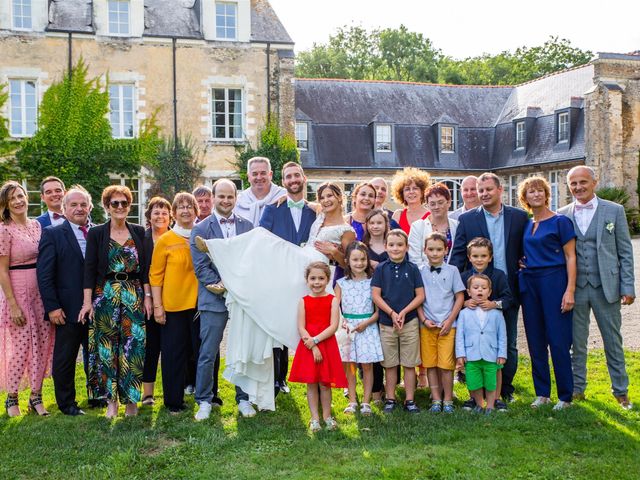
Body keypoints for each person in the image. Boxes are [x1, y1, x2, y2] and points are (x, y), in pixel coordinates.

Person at [193, 182, 354, 412]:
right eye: (323, 196)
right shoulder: (319, 215)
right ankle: (220, 255)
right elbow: (301, 201)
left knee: (261, 238)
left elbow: (348, 263)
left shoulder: (346, 228)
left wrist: (333, 251)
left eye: (331, 196)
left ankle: (227, 267)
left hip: (314, 269)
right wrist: (283, 198)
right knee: (260, 242)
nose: (327, 200)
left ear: (340, 198)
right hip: (303, 258)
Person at [558, 166, 635, 410]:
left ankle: (621, 392)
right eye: (574, 184)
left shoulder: (615, 210)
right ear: (568, 186)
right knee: (576, 342)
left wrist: (628, 286)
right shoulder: (562, 214)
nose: (578, 187)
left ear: (594, 182)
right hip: (576, 287)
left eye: (583, 182)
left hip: (606, 286)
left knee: (612, 341)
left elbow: (625, 252)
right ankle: (578, 389)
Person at [449, 172, 528, 408]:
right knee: (475, 341)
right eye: (479, 190)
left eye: (487, 189)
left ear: (500, 190)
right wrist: (456, 293)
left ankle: (505, 390)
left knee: (508, 342)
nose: (483, 194)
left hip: (506, 289)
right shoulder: (467, 219)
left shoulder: (519, 217)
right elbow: (459, 256)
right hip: (475, 291)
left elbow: (526, 248)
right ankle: (477, 392)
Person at [79, 185, 152, 419]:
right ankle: (111, 402)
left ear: (129, 206)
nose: (120, 207)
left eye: (124, 203)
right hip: (106, 295)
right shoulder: (97, 233)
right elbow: (89, 269)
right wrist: (87, 302)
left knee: (134, 349)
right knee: (107, 350)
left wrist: (148, 298)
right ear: (107, 206)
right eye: (114, 203)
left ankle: (131, 402)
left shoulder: (140, 232)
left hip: (134, 295)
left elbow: (146, 270)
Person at [191, 179, 256, 421]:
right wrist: (225, 285)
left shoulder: (248, 227)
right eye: (221, 197)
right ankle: (204, 400)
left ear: (236, 198)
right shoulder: (201, 229)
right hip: (213, 298)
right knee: (208, 351)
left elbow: (251, 262)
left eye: (230, 197)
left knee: (242, 350)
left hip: (242, 300)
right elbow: (201, 267)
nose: (226, 201)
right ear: (214, 197)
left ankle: (244, 398)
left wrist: (239, 285)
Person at [518, 176, 576, 410]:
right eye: (531, 192)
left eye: (540, 190)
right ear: (525, 198)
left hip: (554, 280)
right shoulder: (527, 224)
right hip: (529, 282)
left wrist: (569, 290)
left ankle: (565, 396)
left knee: (558, 339)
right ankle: (542, 393)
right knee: (535, 339)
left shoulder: (561, 222)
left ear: (546, 194)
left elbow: (571, 256)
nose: (536, 195)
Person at [260, 162, 317, 395]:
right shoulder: (272, 209)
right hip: (280, 278)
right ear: (283, 182)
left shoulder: (315, 211)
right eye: (288, 177)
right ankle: (278, 378)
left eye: (297, 175)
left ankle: (313, 376)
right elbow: (262, 240)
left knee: (310, 327)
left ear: (304, 179)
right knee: (278, 327)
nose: (293, 180)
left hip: (308, 280)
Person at [36, 186, 93, 416]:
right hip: (66, 308)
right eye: (74, 205)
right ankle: (67, 403)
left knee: (97, 355)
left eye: (83, 205)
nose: (79, 208)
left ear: (89, 207)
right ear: (65, 208)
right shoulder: (53, 233)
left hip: (96, 308)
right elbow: (44, 274)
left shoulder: (97, 233)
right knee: (65, 358)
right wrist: (52, 307)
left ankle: (97, 396)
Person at [0, 181, 54, 417]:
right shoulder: (4, 229)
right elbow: (1, 270)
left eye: (21, 195)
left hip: (40, 293)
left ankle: (36, 397)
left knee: (42, 345)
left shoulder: (36, 226)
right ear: (6, 204)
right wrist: (12, 304)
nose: (19, 201)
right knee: (21, 348)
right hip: (18, 293)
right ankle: (11, 398)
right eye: (13, 198)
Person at [150, 192, 200, 414]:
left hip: (199, 306)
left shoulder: (202, 237)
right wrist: (158, 307)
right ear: (174, 213)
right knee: (173, 355)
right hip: (173, 307)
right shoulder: (166, 240)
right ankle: (173, 401)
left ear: (196, 211)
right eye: (181, 207)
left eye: (190, 206)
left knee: (201, 353)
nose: (186, 210)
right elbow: (155, 276)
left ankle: (206, 397)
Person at [371, 229, 425, 414]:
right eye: (391, 245)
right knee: (390, 363)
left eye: (400, 245)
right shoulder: (380, 269)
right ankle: (391, 398)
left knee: (409, 363)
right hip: (387, 323)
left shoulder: (413, 269)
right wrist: (392, 313)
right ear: (385, 247)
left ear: (407, 247)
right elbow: (376, 296)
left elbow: (420, 295)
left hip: (409, 322)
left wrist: (403, 312)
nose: (395, 248)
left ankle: (409, 399)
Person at [289, 261, 347, 432]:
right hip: (308, 347)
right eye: (312, 278)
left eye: (321, 278)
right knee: (312, 383)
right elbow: (301, 326)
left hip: (326, 344)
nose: (316, 282)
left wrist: (316, 341)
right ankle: (315, 418)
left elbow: (333, 326)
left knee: (325, 383)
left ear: (328, 280)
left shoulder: (332, 300)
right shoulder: (303, 301)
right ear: (307, 280)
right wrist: (312, 345)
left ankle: (327, 416)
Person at [459, 237, 514, 411]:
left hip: (491, 325)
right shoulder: (464, 276)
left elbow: (508, 298)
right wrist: (464, 303)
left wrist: (494, 304)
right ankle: (473, 399)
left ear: (490, 257)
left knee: (494, 366)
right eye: (475, 256)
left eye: (483, 255)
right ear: (469, 257)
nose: (479, 259)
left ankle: (496, 398)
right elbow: (457, 298)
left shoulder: (498, 275)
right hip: (471, 326)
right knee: (472, 366)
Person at [417, 232, 465, 413]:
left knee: (446, 365)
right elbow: (417, 298)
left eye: (439, 249)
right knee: (430, 364)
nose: (435, 253)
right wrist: (423, 319)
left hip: (448, 326)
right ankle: (436, 399)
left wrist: (450, 319)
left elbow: (459, 297)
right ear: (425, 251)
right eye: (431, 249)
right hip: (427, 326)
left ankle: (448, 399)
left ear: (446, 250)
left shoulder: (452, 271)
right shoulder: (419, 271)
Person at [335, 242, 383, 416]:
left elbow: (378, 311)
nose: (359, 263)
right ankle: (353, 400)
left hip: (367, 327)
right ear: (347, 261)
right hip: (348, 329)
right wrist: (343, 322)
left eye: (363, 259)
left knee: (367, 365)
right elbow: (335, 307)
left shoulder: (373, 283)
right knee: (350, 367)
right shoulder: (341, 283)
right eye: (355, 259)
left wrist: (366, 323)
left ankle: (366, 401)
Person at [455, 274, 507, 414]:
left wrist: (502, 353)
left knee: (491, 383)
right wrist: (460, 354)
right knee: (474, 382)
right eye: (476, 287)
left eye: (484, 288)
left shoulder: (497, 313)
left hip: (491, 355)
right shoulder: (464, 313)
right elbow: (460, 335)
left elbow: (502, 335)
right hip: (472, 355)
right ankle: (479, 404)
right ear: (469, 291)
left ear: (489, 292)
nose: (480, 290)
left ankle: (490, 406)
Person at [140, 196, 171, 406]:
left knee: (171, 347)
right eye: (156, 212)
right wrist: (149, 297)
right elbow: (143, 270)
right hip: (148, 298)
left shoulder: (176, 237)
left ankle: (172, 390)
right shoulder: (142, 238)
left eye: (164, 213)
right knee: (151, 347)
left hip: (173, 297)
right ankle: (148, 393)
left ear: (170, 217)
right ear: (149, 216)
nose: (160, 216)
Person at [409, 181, 458, 268]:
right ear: (427, 205)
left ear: (449, 202)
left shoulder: (457, 226)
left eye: (440, 202)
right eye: (432, 204)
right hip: (424, 278)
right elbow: (414, 259)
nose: (436, 207)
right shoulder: (417, 227)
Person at [235, 157, 286, 225]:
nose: (259, 177)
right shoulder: (239, 201)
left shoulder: (283, 195)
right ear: (248, 177)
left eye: (263, 173)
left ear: (270, 175)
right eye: (255, 174)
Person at [390, 167, 431, 234]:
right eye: (407, 189)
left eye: (415, 188)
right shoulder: (398, 215)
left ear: (422, 192)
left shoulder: (430, 216)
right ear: (402, 194)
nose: (411, 192)